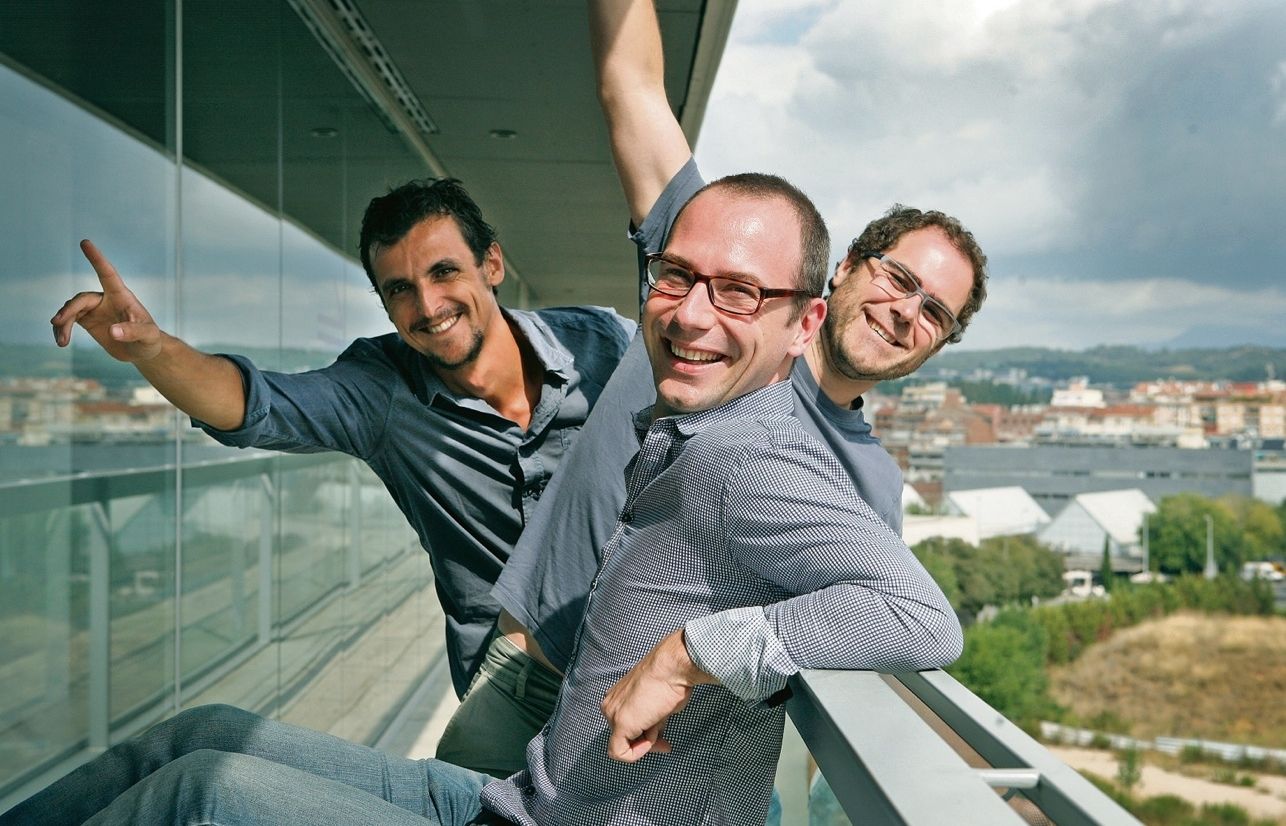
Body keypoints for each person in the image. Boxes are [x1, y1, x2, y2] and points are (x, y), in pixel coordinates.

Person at [2, 170, 960, 826]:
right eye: (675, 277)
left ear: (805, 320)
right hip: (527, 770)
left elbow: (917, 616)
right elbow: (259, 406)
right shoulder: (652, 407)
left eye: (741, 294)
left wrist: (690, 654)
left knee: (201, 790)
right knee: (202, 734)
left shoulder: (739, 448)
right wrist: (155, 352)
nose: (695, 313)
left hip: (568, 797)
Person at [438, 0, 989, 779]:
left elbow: (846, 630)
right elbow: (631, 85)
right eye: (898, 278)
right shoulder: (705, 291)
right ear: (842, 271)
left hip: (643, 748)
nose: (906, 312)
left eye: (935, 312)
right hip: (529, 680)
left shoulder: (870, 486)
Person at [47, 179, 634, 699]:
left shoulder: (606, 346)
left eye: (444, 272)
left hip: (639, 650)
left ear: (493, 265)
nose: (428, 306)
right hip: (514, 685)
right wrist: (153, 350)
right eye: (400, 289)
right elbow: (255, 403)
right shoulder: (382, 393)